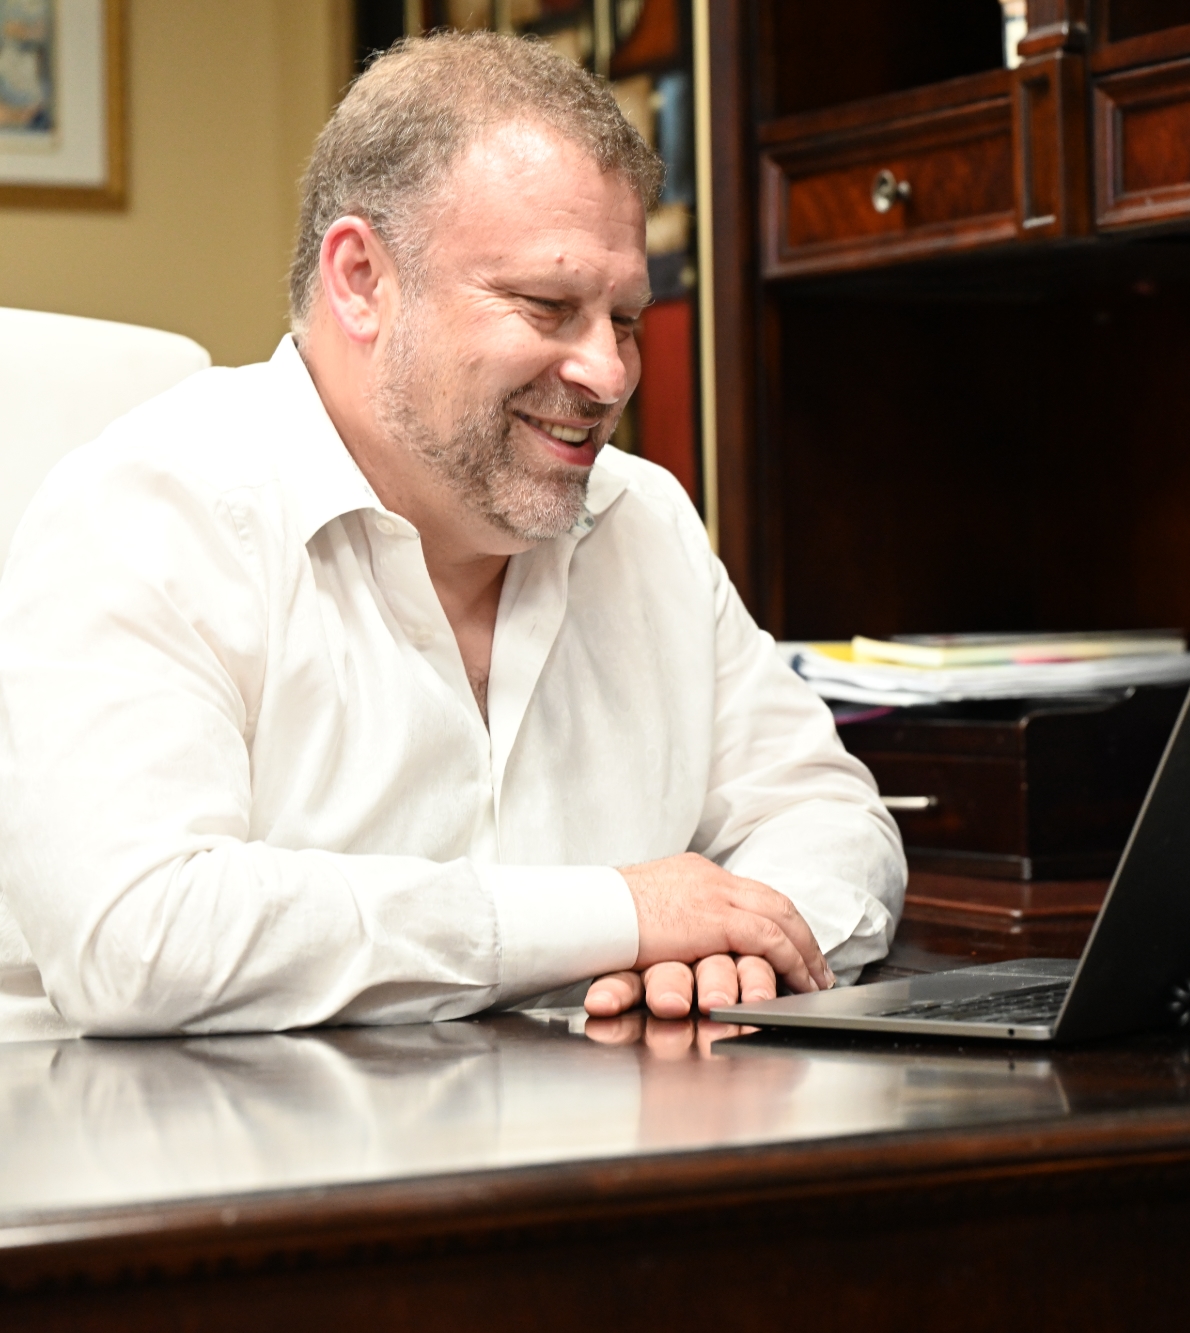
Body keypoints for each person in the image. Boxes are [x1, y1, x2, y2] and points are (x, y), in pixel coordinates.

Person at [0, 31, 903, 1038]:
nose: (607, 374)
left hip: (600, 1150)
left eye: (626, 319)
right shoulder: (149, 510)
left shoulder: (641, 521)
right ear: (360, 279)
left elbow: (829, 818)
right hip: (211, 1162)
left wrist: (739, 944)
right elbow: (139, 937)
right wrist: (620, 915)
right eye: (547, 306)